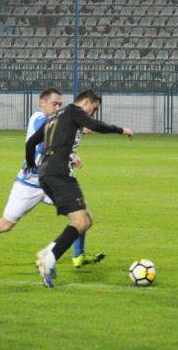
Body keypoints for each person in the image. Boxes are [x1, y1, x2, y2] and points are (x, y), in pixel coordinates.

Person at [0, 88, 104, 268]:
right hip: (29, 183)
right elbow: (48, 138)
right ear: (42, 103)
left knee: (82, 215)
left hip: (53, 182)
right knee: (6, 224)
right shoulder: (39, 118)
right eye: (54, 103)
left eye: (60, 104)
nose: (57, 107)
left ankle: (78, 256)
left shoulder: (59, 120)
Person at [25, 89, 133, 288]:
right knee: (81, 221)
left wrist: (32, 165)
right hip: (59, 174)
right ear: (86, 102)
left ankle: (48, 252)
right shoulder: (74, 110)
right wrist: (121, 130)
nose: (92, 113)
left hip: (46, 175)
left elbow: (31, 143)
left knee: (86, 220)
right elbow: (96, 125)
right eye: (94, 108)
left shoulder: (54, 117)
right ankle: (48, 260)